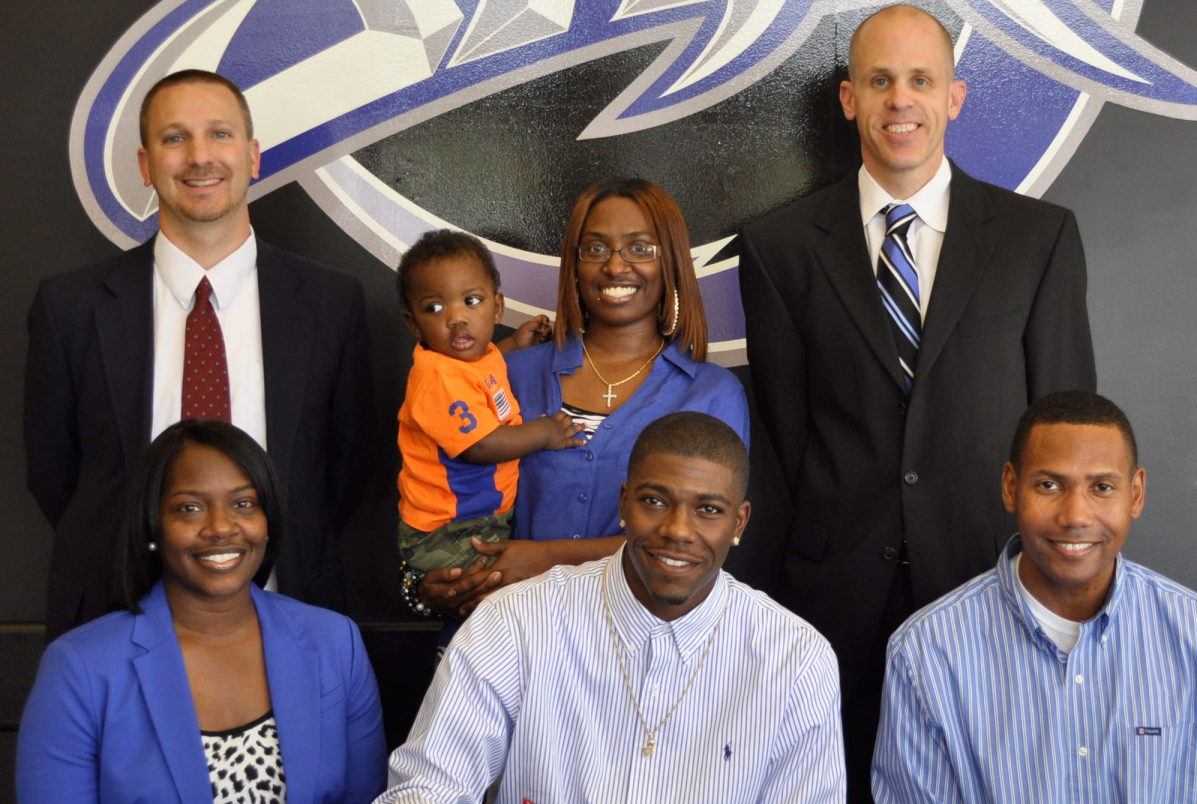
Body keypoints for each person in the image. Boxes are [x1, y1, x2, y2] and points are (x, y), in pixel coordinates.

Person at [736, 6, 1096, 798]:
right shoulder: (779, 249)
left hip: (989, 583)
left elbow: (1068, 439)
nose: (900, 101)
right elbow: (786, 440)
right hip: (833, 597)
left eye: (920, 80)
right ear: (847, 99)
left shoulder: (1037, 238)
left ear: (954, 97)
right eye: (879, 81)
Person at [25, 69, 375, 639]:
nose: (199, 157)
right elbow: (55, 476)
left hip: (287, 619)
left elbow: (347, 470)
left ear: (253, 155)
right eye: (174, 138)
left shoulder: (332, 304)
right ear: (145, 165)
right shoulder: (72, 307)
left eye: (219, 134)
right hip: (117, 622)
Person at [378, 412, 844, 803]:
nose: (678, 530)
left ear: (738, 522)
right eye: (655, 501)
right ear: (624, 503)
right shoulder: (517, 621)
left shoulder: (796, 660)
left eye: (708, 510)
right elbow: (427, 787)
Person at [415, 177, 752, 617]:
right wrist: (427, 584)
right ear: (573, 265)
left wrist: (544, 559)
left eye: (640, 248)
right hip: (507, 629)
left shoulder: (712, 394)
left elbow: (701, 538)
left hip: (638, 638)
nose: (615, 266)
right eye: (595, 249)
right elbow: (443, 492)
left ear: (669, 262)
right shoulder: (510, 374)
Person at [17, 419, 387, 803]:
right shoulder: (81, 668)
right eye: (190, 508)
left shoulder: (335, 642)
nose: (221, 527)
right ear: (153, 526)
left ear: (268, 521)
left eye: (243, 504)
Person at [872, 390, 1197, 802]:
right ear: (1011, 488)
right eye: (1048, 484)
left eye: (1101, 487)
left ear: (1135, 494)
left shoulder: (1190, 634)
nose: (1076, 515)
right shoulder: (926, 653)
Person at [394, 229, 582, 600]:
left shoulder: (475, 358)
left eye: (471, 301)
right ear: (414, 323)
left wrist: (515, 345)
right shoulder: (437, 376)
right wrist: (544, 433)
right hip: (447, 529)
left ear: (497, 307)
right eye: (435, 308)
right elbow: (479, 445)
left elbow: (485, 372)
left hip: (481, 518)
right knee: (495, 593)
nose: (457, 318)